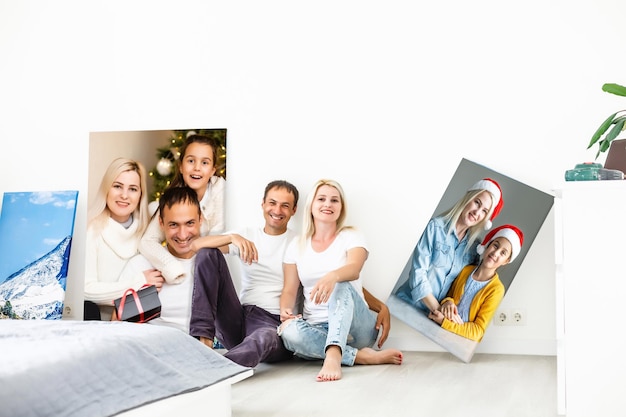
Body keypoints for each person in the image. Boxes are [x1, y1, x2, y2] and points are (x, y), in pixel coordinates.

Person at [278, 179, 402, 382]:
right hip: (316, 328)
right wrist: (286, 310)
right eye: (322, 199)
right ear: (311, 205)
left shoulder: (351, 235)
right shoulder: (296, 245)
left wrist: (333, 276)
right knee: (288, 332)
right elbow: (290, 290)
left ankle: (335, 354)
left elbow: (354, 270)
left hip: (356, 328)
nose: (328, 204)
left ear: (341, 207)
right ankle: (360, 357)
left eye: (334, 200)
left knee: (341, 283)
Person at [188, 180, 300, 367]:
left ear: (294, 210)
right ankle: (203, 341)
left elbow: (325, 274)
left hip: (272, 324)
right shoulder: (247, 235)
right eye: (272, 203)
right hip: (239, 318)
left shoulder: (299, 242)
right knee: (208, 253)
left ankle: (216, 369)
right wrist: (232, 237)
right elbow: (195, 246)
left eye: (285, 206)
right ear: (263, 204)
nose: (277, 210)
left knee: (264, 337)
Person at [395, 178, 504, 316]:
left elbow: (459, 287)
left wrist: (448, 302)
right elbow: (418, 274)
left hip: (432, 318)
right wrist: (438, 309)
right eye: (477, 202)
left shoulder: (474, 248)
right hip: (406, 305)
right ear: (468, 198)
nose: (477, 213)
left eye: (484, 211)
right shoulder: (435, 227)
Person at [139, 133, 225, 284]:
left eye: (205, 163)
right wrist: (172, 268)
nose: (197, 168)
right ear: (181, 166)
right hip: (184, 263)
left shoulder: (221, 193)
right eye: (191, 161)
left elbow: (218, 242)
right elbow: (147, 241)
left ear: (212, 170)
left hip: (213, 267)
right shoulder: (174, 197)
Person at [83, 157, 162, 320]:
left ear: (140, 194)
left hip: (141, 322)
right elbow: (86, 290)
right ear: (106, 189)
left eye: (133, 189)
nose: (124, 195)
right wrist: (139, 282)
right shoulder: (92, 229)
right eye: (117, 186)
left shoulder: (147, 232)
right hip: (100, 324)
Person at [119, 186, 202, 332]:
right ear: (161, 223)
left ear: (200, 220)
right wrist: (142, 294)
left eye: (189, 223)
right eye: (174, 225)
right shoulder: (140, 266)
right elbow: (117, 326)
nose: (182, 235)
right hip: (150, 348)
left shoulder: (212, 266)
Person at [428, 224, 524, 342]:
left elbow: (478, 330)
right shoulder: (466, 271)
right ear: (488, 245)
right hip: (440, 331)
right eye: (495, 245)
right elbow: (449, 296)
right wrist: (447, 302)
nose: (496, 253)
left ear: (506, 261)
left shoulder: (497, 290)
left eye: (503, 253)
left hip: (462, 341)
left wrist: (444, 322)